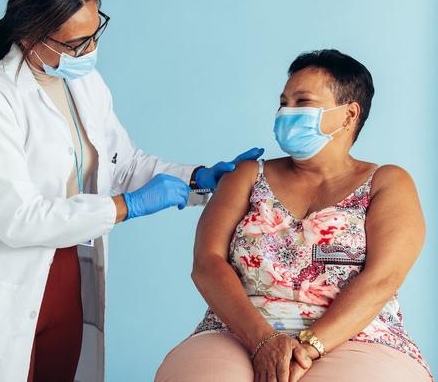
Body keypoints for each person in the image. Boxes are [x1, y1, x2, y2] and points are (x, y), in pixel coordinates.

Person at [0, 0, 263, 382]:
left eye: (95, 33)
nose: (89, 51)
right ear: (31, 37)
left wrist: (197, 178)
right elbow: (16, 220)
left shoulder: (83, 83)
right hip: (4, 280)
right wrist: (127, 206)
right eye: (76, 43)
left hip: (70, 271)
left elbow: (120, 162)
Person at [155, 49, 433, 381]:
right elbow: (207, 262)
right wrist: (262, 340)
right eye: (284, 102)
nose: (287, 112)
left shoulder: (387, 182)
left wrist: (310, 346)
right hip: (240, 331)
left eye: (303, 102)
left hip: (357, 335)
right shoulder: (245, 175)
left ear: (348, 115)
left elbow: (383, 279)